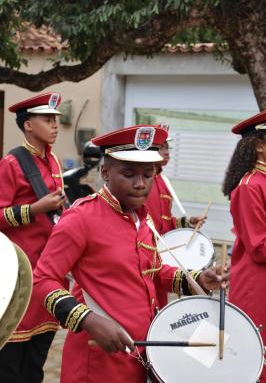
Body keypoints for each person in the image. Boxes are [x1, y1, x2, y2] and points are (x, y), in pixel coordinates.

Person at [34, 124, 228, 383]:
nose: (140, 184)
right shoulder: (81, 218)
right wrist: (88, 319)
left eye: (148, 175)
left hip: (141, 353)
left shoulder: (141, 217)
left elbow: (153, 270)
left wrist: (198, 278)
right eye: (129, 174)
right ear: (105, 172)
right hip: (98, 360)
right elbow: (41, 280)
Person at [0, 92, 66, 383]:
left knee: (37, 360)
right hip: (18, 275)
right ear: (28, 124)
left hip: (47, 272)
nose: (54, 125)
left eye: (56, 120)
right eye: (47, 119)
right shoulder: (12, 164)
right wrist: (34, 209)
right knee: (10, 360)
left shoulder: (53, 162)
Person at [223, 110, 266, 383]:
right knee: (257, 357)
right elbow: (259, 246)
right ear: (259, 145)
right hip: (257, 285)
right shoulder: (249, 186)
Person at [145, 126, 206, 308]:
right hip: (149, 256)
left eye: (167, 147)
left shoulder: (161, 179)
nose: (166, 152)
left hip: (160, 257)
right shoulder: (145, 182)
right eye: (160, 147)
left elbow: (164, 221)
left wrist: (186, 222)